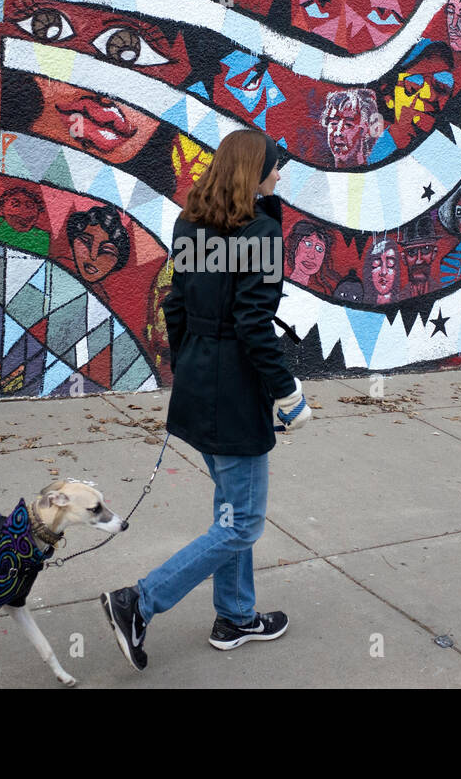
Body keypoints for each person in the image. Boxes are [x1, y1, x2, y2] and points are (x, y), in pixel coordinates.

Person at [101, 129, 311, 671]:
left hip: (198, 382)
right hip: (235, 392)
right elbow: (253, 323)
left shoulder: (189, 222)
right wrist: (287, 391)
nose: (280, 174)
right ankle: (138, 601)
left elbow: (175, 305)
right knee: (242, 522)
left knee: (229, 508)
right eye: (274, 166)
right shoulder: (260, 233)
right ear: (253, 173)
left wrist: (191, 364)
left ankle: (236, 616)